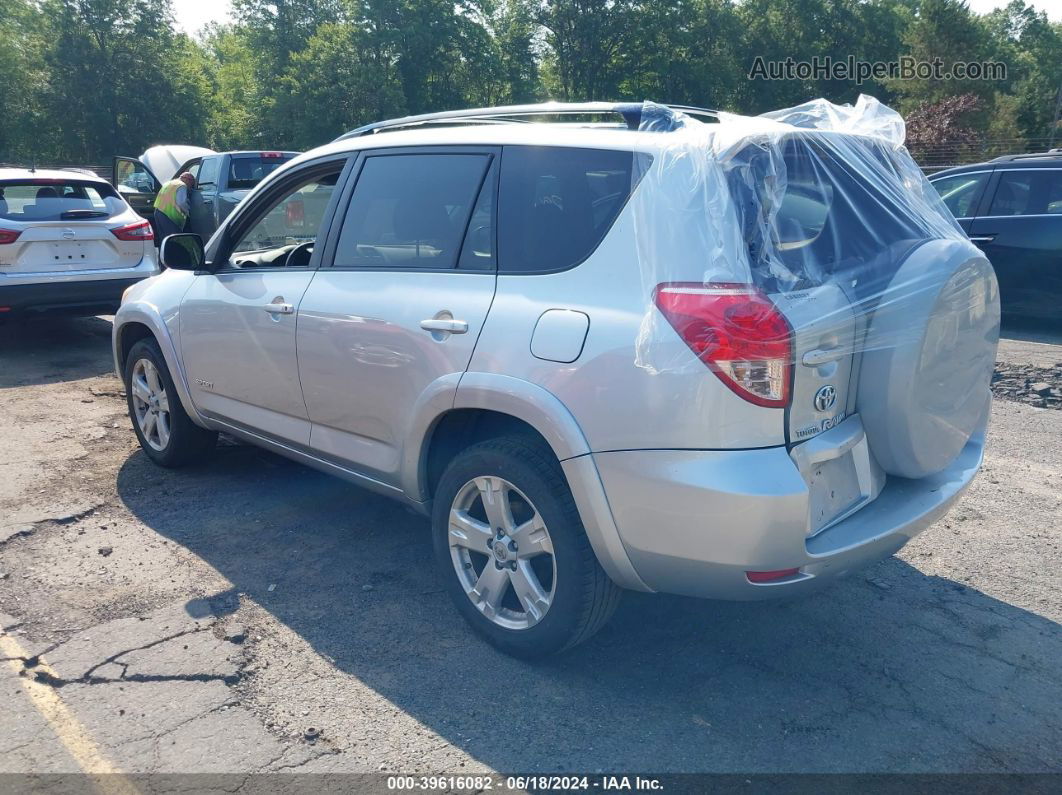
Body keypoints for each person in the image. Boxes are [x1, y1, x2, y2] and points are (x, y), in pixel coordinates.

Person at [153, 171, 195, 241]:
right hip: (169, 216)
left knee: (164, 239)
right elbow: (181, 203)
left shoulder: (169, 183)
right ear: (187, 179)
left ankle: (164, 252)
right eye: (191, 184)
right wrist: (188, 212)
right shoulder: (182, 185)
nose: (190, 187)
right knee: (174, 239)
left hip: (158, 212)